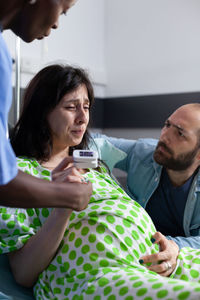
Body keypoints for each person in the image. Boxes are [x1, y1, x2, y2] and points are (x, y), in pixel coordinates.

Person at [1, 64, 200, 300]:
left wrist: (174, 249)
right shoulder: (16, 176)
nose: (83, 117)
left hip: (159, 258)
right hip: (100, 273)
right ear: (42, 111)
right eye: (71, 107)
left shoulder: (91, 162)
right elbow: (24, 272)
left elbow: (97, 143)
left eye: (86, 107)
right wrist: (63, 204)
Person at [0, 0, 92, 210]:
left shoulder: (97, 166)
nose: (57, 24)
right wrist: (67, 196)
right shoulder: (25, 168)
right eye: (63, 11)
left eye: (86, 107)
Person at [91, 103, 200, 273]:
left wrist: (174, 246)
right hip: (131, 250)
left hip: (176, 262)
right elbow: (96, 143)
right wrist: (80, 161)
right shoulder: (144, 153)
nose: (164, 136)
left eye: (179, 133)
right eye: (167, 125)